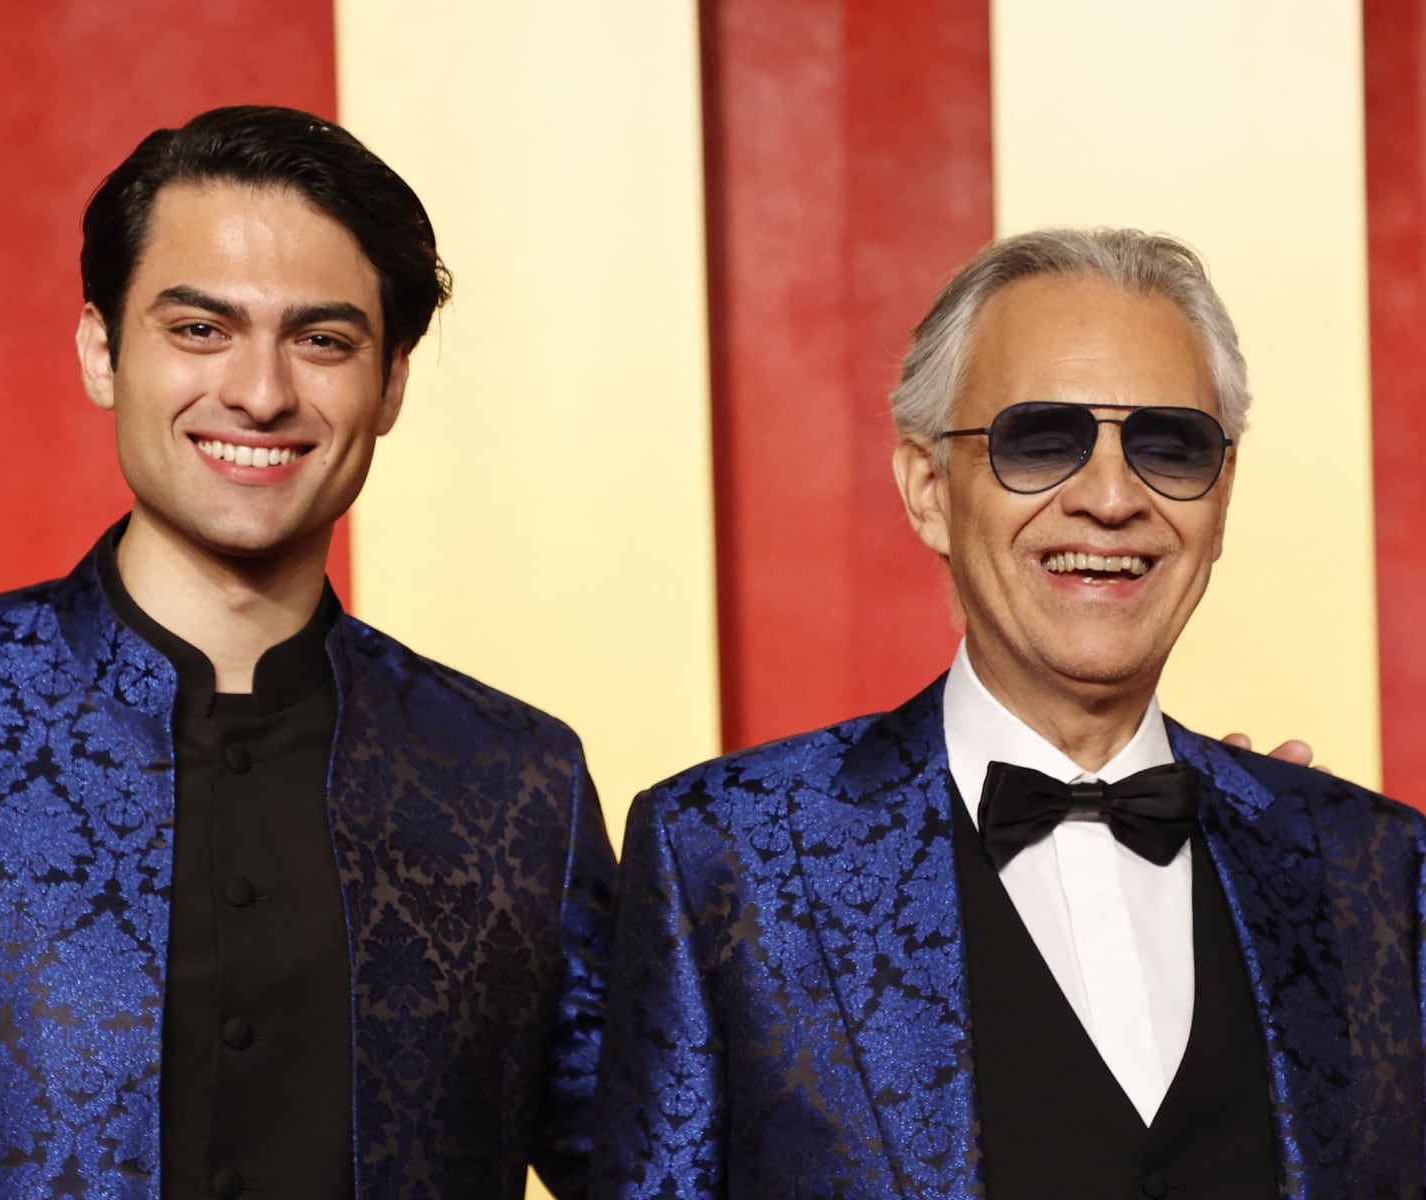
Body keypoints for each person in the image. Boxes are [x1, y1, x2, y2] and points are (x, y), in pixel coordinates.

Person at [0, 105, 613, 1199]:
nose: (259, 391)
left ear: (389, 384)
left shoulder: (517, 782)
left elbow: (647, 1168)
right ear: (102, 350)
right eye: (199, 330)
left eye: (322, 340)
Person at [591, 228, 1425, 1199]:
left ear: (1222, 495)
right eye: (1040, 440)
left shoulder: (1373, 869)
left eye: (1168, 446)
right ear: (928, 489)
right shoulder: (723, 854)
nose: (1111, 498)